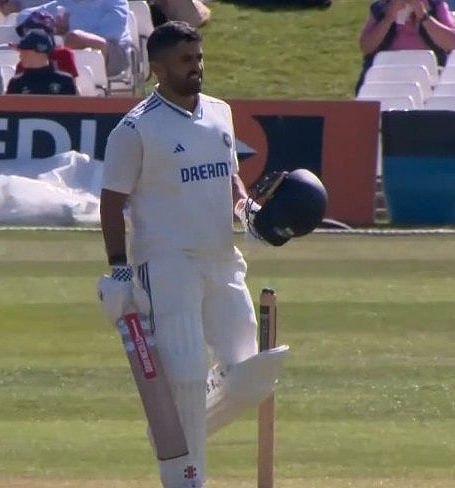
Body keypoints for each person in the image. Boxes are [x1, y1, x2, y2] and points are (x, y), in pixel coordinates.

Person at [98, 21, 259, 488]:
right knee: (186, 373)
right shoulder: (136, 128)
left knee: (249, 373)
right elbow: (111, 202)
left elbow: (230, 176)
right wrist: (119, 270)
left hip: (222, 259)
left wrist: (246, 208)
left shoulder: (220, 113)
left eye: (199, 57)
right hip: (167, 265)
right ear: (158, 68)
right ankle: (187, 478)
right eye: (186, 60)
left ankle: (169, 428)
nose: (197, 67)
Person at [0, 0, 133, 76]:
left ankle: (49, 67)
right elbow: (23, 17)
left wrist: (68, 31)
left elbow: (111, 34)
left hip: (112, 54)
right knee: (36, 41)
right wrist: (51, 25)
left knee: (75, 37)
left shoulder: (114, 2)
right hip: (71, 50)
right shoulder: (65, 3)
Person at [356, 0, 455, 92]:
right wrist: (388, 19)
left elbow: (453, 43)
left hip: (428, 80)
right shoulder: (381, 8)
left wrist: (424, 16)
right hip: (386, 79)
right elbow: (366, 47)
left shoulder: (436, 5)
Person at [6, 29, 75, 94]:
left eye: (25, 52)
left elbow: (74, 102)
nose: (20, 56)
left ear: (40, 51)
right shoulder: (16, 83)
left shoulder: (65, 81)